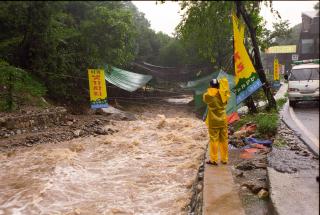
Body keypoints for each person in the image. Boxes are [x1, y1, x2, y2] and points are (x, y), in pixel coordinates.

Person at [203, 78, 230, 165]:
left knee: (214, 140)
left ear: (210, 86)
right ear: (219, 86)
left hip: (213, 121)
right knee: (224, 140)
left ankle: (214, 160)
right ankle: (224, 159)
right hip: (223, 120)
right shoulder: (224, 94)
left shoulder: (207, 95)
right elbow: (226, 92)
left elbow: (205, 99)